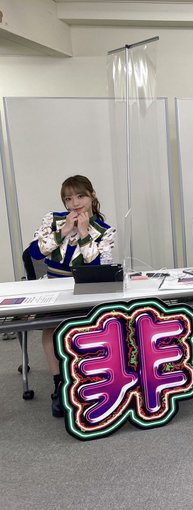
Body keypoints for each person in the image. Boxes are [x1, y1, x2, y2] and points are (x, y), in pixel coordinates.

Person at [29, 175, 116, 417]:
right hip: (54, 286)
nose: (74, 203)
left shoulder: (105, 230)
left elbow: (97, 266)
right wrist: (64, 230)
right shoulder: (53, 219)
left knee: (92, 328)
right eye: (68, 199)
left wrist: (85, 233)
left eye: (80, 196)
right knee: (51, 329)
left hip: (86, 289)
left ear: (92, 196)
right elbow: (35, 252)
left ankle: (87, 381)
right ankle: (59, 384)